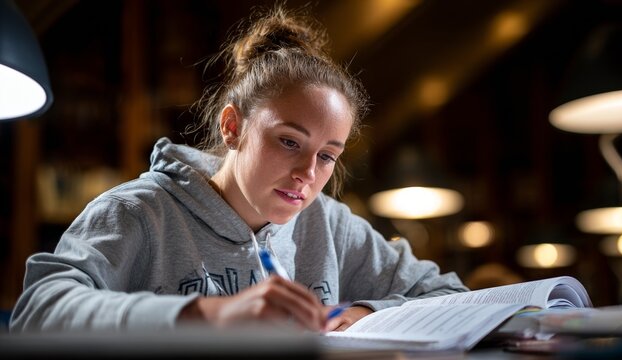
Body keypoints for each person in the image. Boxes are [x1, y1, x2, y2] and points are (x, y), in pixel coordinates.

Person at [10, 5, 467, 333]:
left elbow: (451, 295)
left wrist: (367, 314)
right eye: (289, 141)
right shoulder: (139, 212)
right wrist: (208, 315)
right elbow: (38, 311)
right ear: (232, 127)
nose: (308, 173)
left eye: (328, 155)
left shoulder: (329, 224)